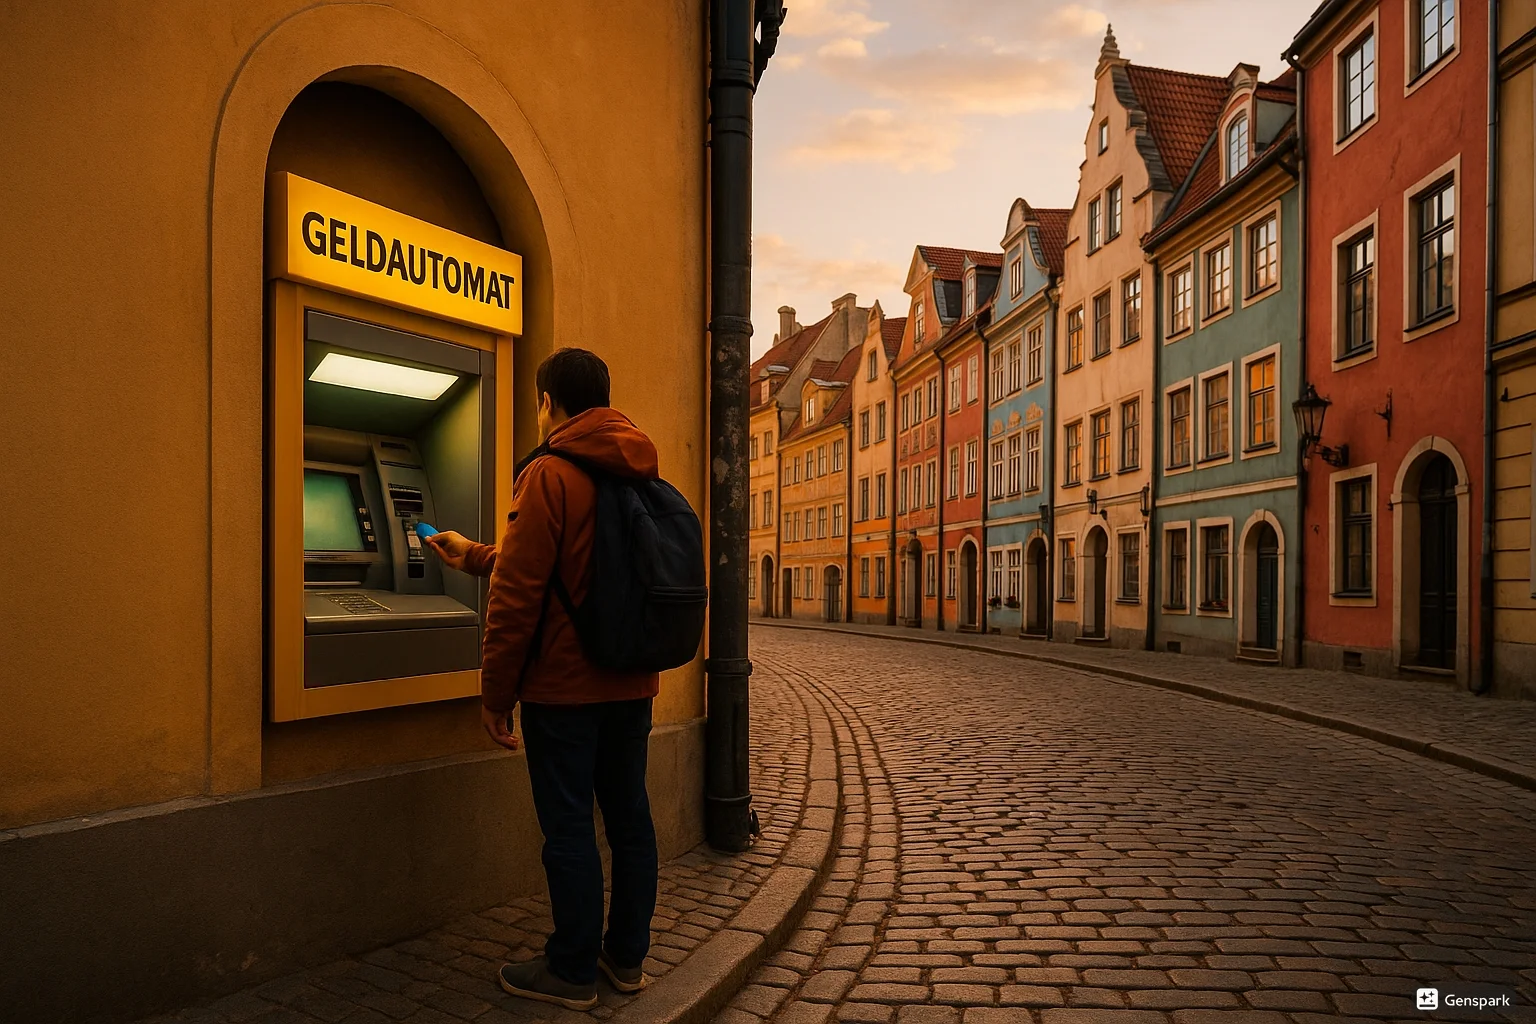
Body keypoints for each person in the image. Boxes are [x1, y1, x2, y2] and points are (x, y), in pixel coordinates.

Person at [427, 348, 659, 1012]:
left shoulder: (549, 473)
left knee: (569, 828)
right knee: (631, 820)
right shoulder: (637, 470)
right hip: (631, 681)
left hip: (564, 689)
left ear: (549, 402)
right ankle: (625, 959)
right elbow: (567, 564)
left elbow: (518, 594)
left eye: (538, 403)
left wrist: (495, 694)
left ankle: (570, 969)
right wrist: (476, 554)